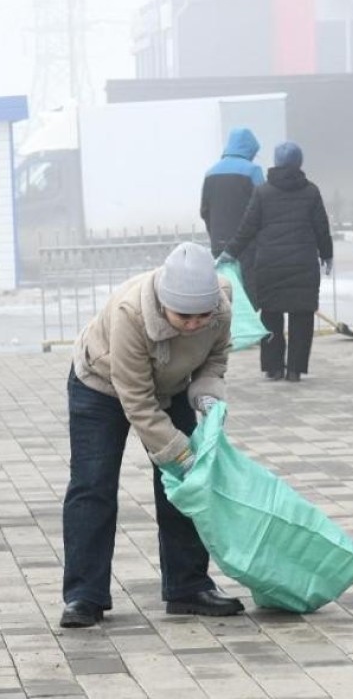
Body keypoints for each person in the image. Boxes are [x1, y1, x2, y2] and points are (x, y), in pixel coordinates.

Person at [60, 242, 243, 628]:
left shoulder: (222, 301)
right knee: (93, 485)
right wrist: (180, 451)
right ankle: (84, 596)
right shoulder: (131, 311)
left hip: (170, 387)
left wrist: (207, 393)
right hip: (101, 386)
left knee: (184, 485)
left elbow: (215, 358)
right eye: (183, 316)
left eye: (201, 316)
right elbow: (138, 401)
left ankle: (188, 586)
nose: (194, 324)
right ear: (164, 303)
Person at [220, 141, 333, 382]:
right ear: (299, 162)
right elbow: (321, 227)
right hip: (303, 264)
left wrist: (229, 253)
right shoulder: (311, 191)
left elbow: (247, 228)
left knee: (270, 315)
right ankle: (295, 370)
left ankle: (273, 368)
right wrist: (327, 254)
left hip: (270, 265)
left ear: (276, 162)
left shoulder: (263, 192)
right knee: (302, 317)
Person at [200, 128, 264, 258]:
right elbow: (264, 206)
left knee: (224, 278)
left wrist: (215, 234)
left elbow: (205, 210)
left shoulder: (210, 173)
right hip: (247, 246)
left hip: (218, 245)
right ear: (250, 150)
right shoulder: (253, 171)